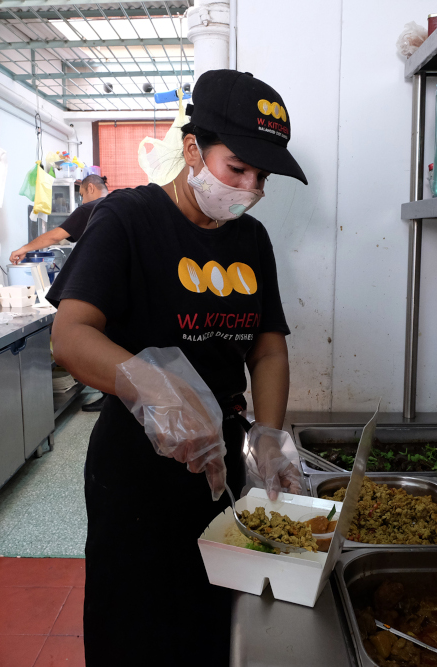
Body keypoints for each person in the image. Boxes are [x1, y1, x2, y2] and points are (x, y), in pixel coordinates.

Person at [47, 70, 308, 665]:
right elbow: (70, 335)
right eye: (236, 168)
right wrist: (154, 386)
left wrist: (267, 433)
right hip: (138, 464)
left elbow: (267, 348)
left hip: (221, 463)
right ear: (193, 148)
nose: (250, 188)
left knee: (212, 625)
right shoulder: (126, 220)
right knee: (135, 632)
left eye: (261, 177)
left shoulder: (252, 241)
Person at [8, 174, 109, 263]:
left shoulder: (89, 208)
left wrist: (24, 249)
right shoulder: (117, 205)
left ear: (91, 188)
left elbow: (55, 236)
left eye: (82, 195)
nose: (82, 201)